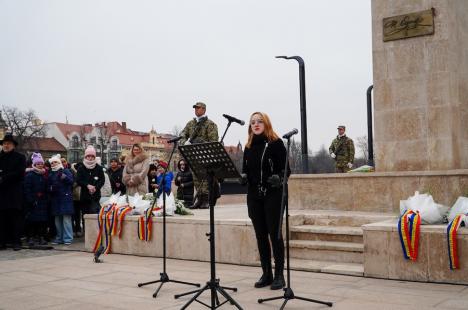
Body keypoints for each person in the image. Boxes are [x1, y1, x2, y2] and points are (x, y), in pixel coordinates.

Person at [241, 112, 289, 290]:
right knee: (260, 236)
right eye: (253, 122)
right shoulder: (248, 146)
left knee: (275, 236)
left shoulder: (276, 144)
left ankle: (279, 276)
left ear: (266, 123)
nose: (256, 124)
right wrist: (243, 177)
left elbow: (287, 170)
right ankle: (266, 273)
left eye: (259, 121)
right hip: (254, 196)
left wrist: (279, 178)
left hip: (273, 195)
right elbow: (245, 169)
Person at [180, 102, 218, 209]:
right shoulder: (190, 124)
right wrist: (185, 142)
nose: (196, 110)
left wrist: (199, 142)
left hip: (205, 155)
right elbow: (182, 135)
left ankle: (206, 199)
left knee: (205, 178)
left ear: (204, 110)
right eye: (195, 108)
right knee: (196, 177)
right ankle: (199, 199)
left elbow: (213, 141)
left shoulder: (210, 124)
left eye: (198, 108)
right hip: (193, 155)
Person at [0, 134, 27, 250]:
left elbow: (20, 173)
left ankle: (16, 242)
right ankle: (2, 242)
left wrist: (3, 178)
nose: (6, 145)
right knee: (2, 218)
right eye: (4, 143)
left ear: (13, 145)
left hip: (14, 192)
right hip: (1, 193)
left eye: (9, 143)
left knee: (15, 218)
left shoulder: (20, 157)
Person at [48, 154, 74, 245]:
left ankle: (68, 238)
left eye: (55, 162)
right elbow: (48, 186)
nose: (53, 164)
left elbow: (71, 182)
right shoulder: (51, 173)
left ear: (59, 162)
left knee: (66, 219)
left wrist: (65, 178)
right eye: (52, 163)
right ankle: (59, 238)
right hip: (55, 199)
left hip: (65, 198)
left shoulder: (65, 171)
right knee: (57, 220)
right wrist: (51, 188)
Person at [24, 152, 49, 246]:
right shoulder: (30, 175)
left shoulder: (44, 176)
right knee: (32, 221)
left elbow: (46, 188)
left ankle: (41, 237)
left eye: (41, 163)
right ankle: (30, 237)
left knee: (42, 221)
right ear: (34, 164)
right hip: (33, 202)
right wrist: (31, 199)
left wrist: (45, 197)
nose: (40, 165)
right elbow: (27, 189)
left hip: (42, 201)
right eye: (38, 164)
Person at [76, 146, 105, 215]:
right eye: (88, 156)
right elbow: (78, 180)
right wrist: (87, 185)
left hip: (96, 196)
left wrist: (96, 187)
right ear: (85, 157)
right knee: (85, 217)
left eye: (92, 156)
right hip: (85, 196)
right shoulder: (81, 168)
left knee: (95, 217)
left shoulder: (99, 168)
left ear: (94, 157)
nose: (90, 158)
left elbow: (102, 180)